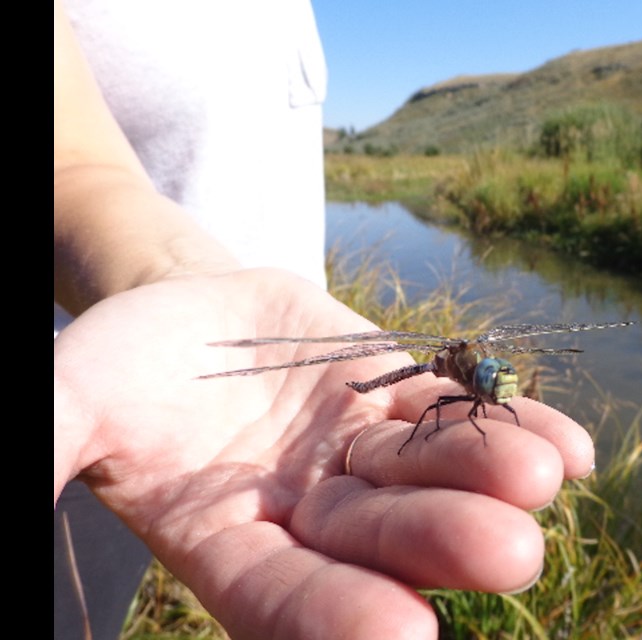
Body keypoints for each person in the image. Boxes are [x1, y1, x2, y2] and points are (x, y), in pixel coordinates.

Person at [53, 2, 596, 639]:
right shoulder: (443, 374)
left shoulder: (485, 377)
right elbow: (72, 164)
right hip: (148, 397)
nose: (498, 388)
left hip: (286, 338)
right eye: (494, 384)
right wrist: (180, 288)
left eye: (497, 383)